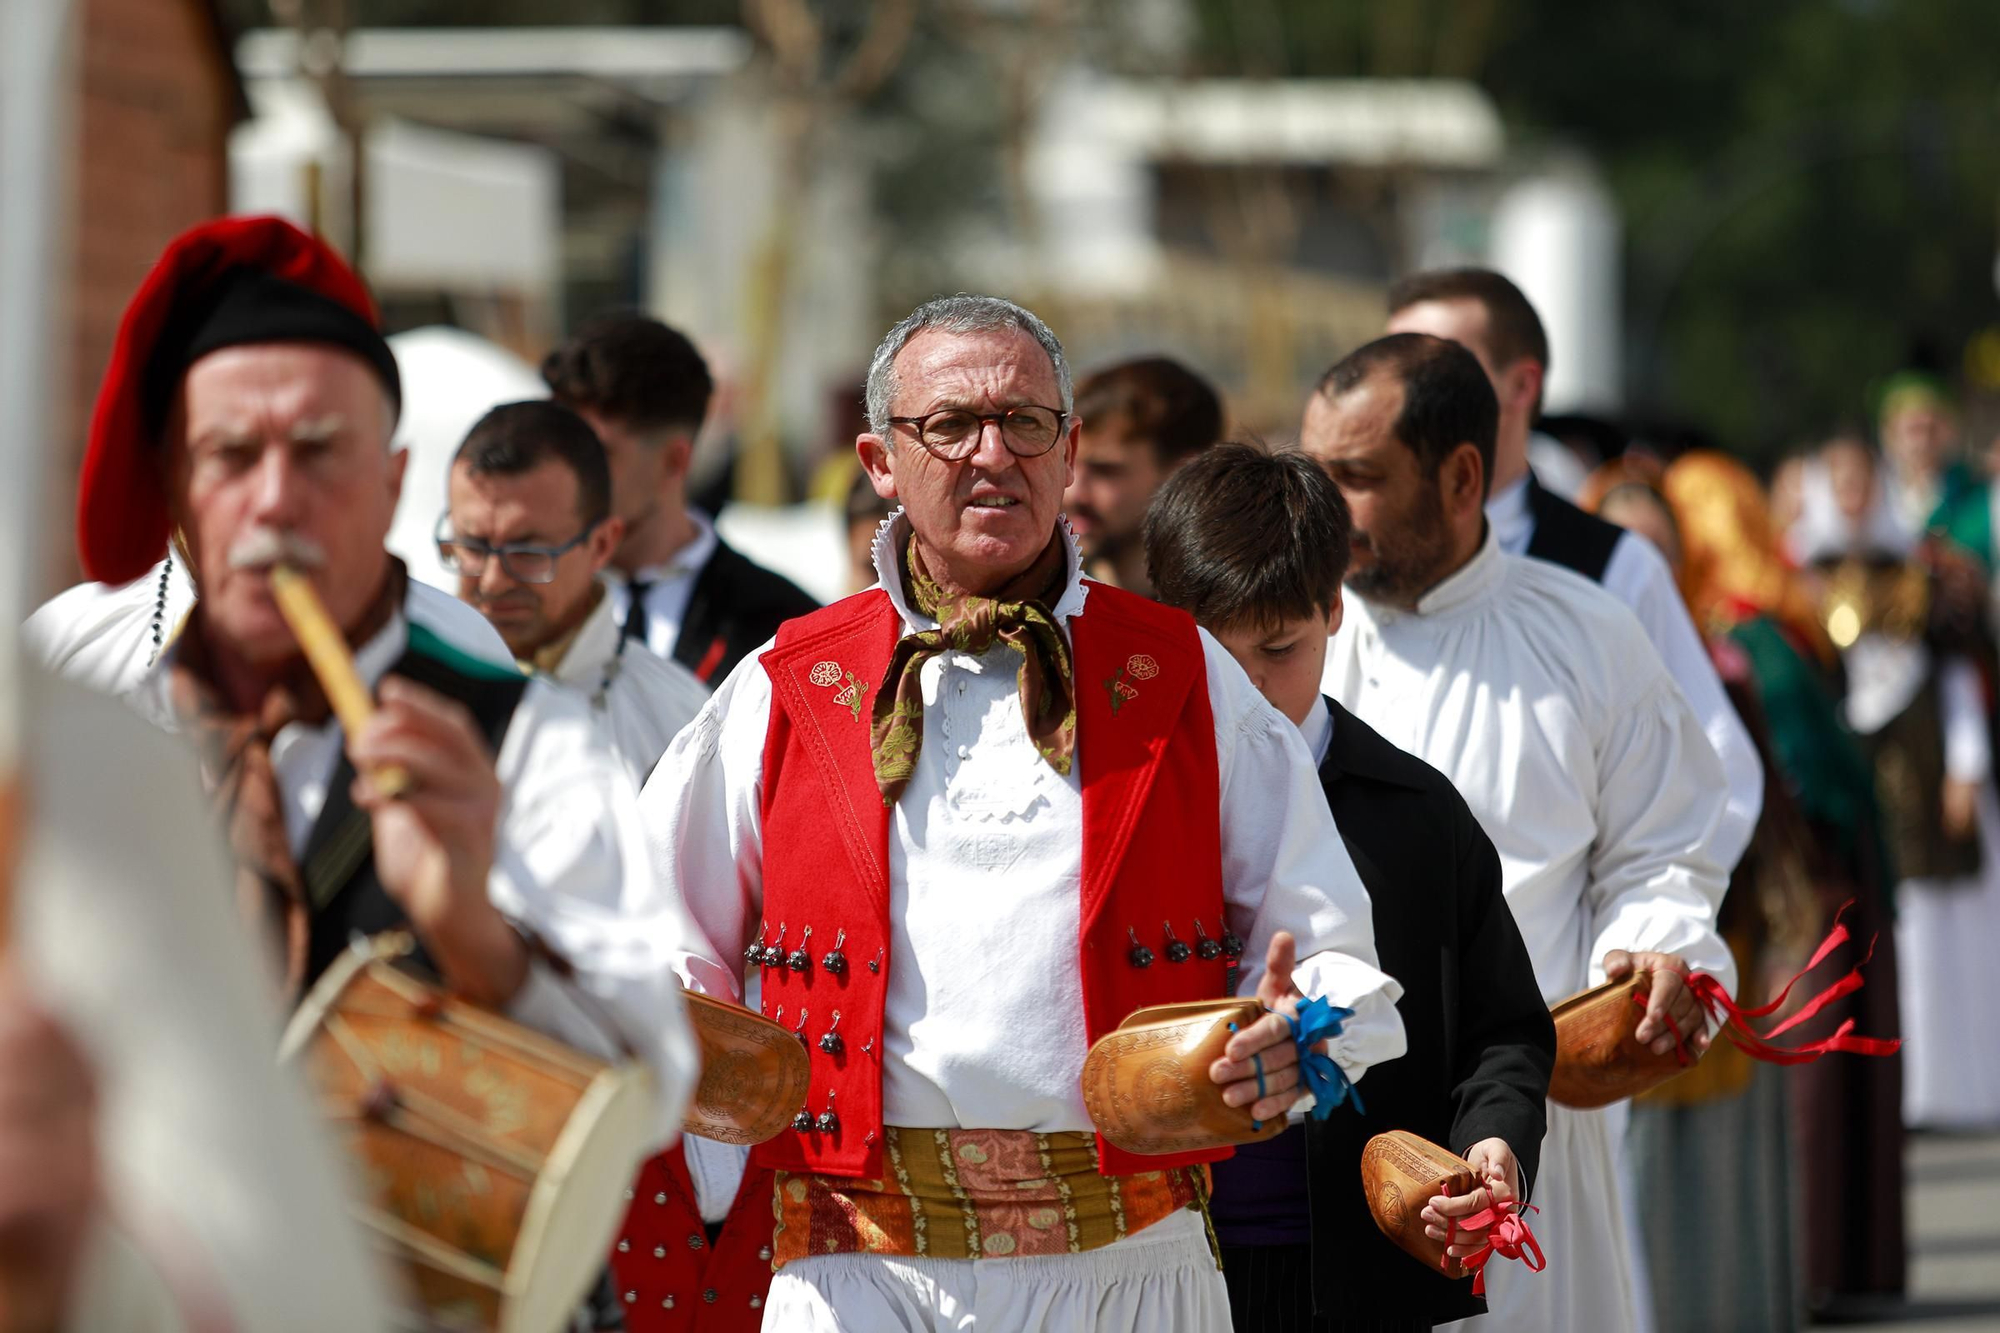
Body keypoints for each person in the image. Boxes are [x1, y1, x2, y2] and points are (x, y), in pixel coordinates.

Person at [638, 294, 1407, 1331]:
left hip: (1130, 1264)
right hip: (854, 1274)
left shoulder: (1180, 675)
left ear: (1068, 451)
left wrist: (1292, 1033)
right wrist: (691, 1037)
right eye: (949, 425)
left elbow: (1326, 948)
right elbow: (652, 932)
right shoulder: (787, 682)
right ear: (878, 460)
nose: (990, 452)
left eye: (1024, 423)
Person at [66, 215, 697, 1145]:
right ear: (176, 484)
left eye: (320, 451)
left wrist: (481, 939)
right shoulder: (60, 691)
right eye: (232, 455)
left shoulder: (515, 725)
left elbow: (649, 1103)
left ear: (395, 482)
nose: (276, 499)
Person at [1302, 333, 1734, 1333]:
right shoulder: (1282, 640)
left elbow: (1661, 847)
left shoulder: (1585, 635)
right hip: (1317, 1146)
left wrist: (1654, 947)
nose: (1323, 506)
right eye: (1312, 471)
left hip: (1526, 1133)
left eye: (1356, 477)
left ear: (1459, 477)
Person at [1145, 443, 1555, 1332]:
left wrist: (1493, 1146)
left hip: (1362, 1268)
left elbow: (1506, 1031)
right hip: (1150, 1263)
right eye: (1213, 657)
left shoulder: (1416, 815)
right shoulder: (1112, 807)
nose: (1246, 688)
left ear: (1336, 608)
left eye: (1278, 649)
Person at [1383, 268, 1762, 875]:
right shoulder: (1349, 565)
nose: (1401, 398)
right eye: (1388, 369)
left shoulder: (1612, 566)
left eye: (1435, 371)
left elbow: (1712, 779)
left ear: (1521, 385)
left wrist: (1634, 931)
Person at [1662, 450, 1903, 1323]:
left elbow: (1794, 770)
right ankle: (1842, 1261)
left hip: (1804, 878)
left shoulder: (1746, 630)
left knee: (1810, 1079)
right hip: (1834, 870)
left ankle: (1826, 1263)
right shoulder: (1778, 617)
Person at [541, 313, 819, 685]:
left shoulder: (784, 628)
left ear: (674, 462)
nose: (570, 476)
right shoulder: (524, 598)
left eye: (597, 456)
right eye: (560, 449)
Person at [443, 400, 708, 788]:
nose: (493, 581)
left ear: (602, 545)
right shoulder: (396, 689)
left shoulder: (682, 730)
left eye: (528, 551)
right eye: (473, 546)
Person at [1063, 355, 1224, 594]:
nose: (1073, 492)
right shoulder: (1041, 609)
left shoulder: (1224, 620)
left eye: (1106, 471)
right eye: (1066, 462)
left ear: (1181, 474)